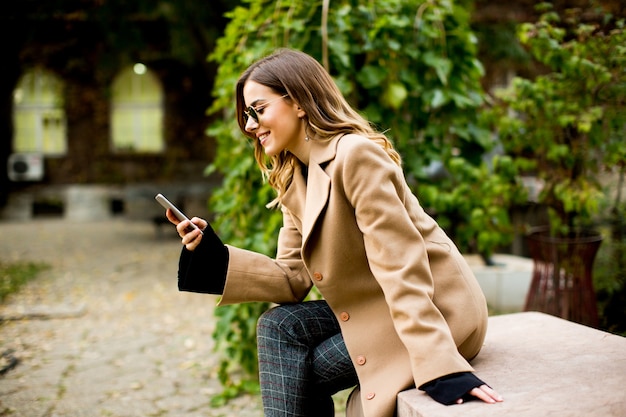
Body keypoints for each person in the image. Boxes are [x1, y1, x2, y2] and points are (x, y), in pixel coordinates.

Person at [166, 48, 503, 417]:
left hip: (439, 308)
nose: (249, 125)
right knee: (278, 327)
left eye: (258, 110)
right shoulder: (294, 176)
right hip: (375, 306)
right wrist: (211, 255)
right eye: (247, 114)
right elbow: (292, 279)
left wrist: (442, 368)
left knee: (301, 372)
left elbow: (400, 263)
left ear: (297, 102)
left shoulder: (355, 155)